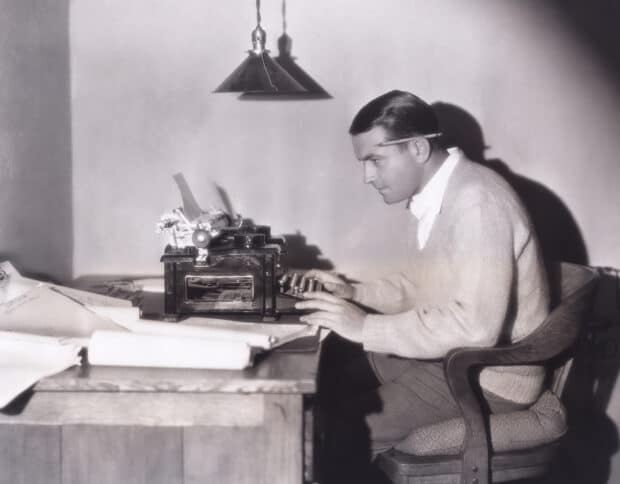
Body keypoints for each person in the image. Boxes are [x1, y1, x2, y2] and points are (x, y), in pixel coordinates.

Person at [291, 90, 550, 483]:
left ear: (416, 148)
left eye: (375, 160)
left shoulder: (476, 202)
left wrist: (363, 327)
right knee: (329, 381)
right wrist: (352, 294)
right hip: (454, 363)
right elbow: (421, 287)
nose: (368, 177)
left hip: (487, 377)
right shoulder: (446, 193)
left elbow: (474, 329)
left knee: (329, 430)